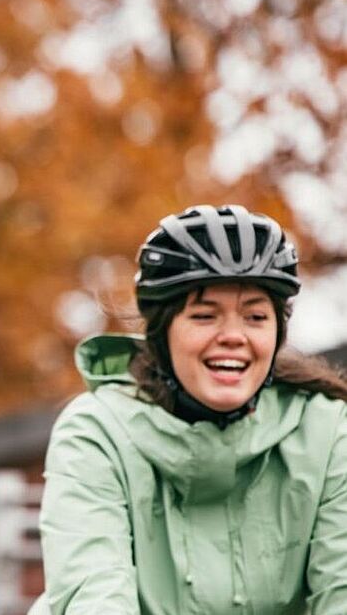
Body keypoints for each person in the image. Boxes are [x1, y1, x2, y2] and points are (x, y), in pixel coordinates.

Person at [33, 204, 347, 614]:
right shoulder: (96, 433)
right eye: (204, 316)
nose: (233, 336)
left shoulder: (327, 432)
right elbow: (92, 596)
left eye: (255, 316)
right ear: (163, 332)